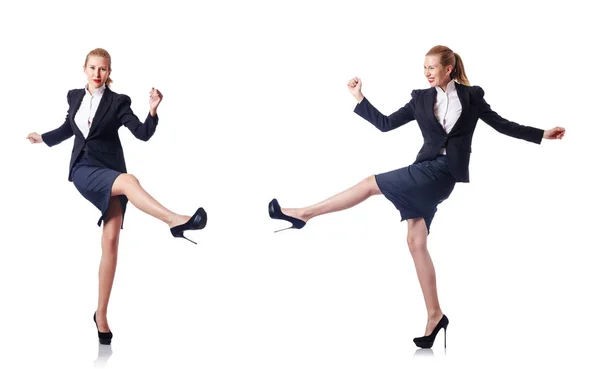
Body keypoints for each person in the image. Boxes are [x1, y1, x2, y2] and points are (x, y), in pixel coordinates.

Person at [268, 45, 565, 348]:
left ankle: (303, 213)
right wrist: (359, 98)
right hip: (425, 167)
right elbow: (386, 124)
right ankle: (435, 316)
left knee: (371, 183)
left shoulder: (472, 96)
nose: (427, 73)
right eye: (424, 68)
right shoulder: (420, 99)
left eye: (432, 67)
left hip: (445, 172)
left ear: (448, 69)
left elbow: (503, 124)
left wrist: (542, 133)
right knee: (415, 242)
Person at [26, 48, 207, 345]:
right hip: (84, 169)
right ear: (84, 68)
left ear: (110, 72)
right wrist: (42, 138)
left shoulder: (118, 102)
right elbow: (67, 129)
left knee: (110, 242)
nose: (98, 74)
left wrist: (152, 110)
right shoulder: (74, 97)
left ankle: (101, 315)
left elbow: (142, 133)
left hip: (112, 173)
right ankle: (175, 220)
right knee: (130, 181)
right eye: (93, 68)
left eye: (104, 69)